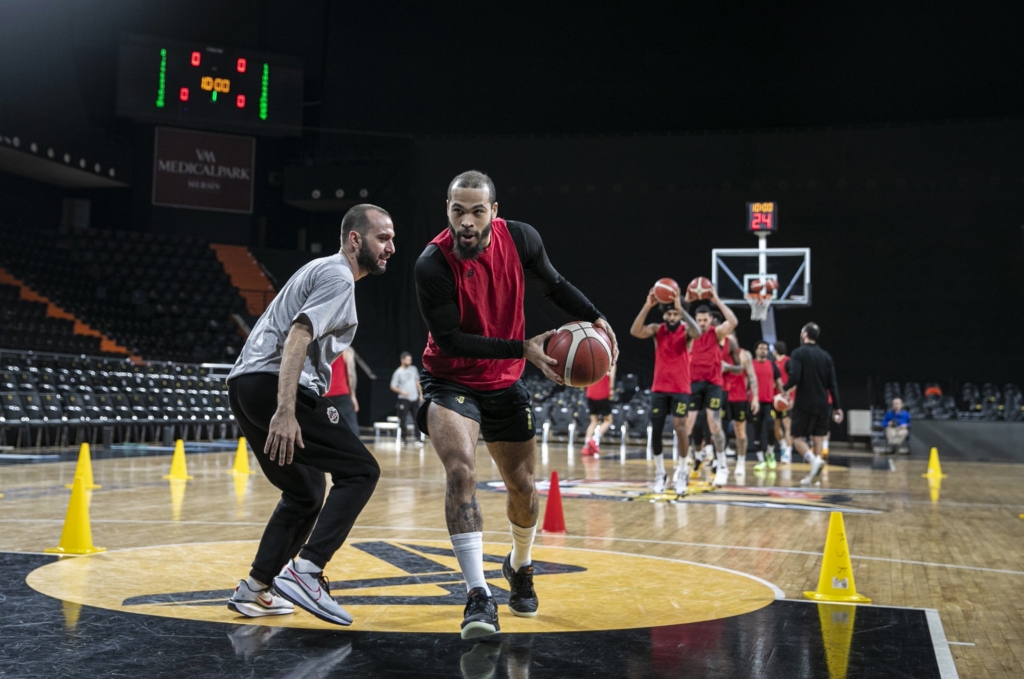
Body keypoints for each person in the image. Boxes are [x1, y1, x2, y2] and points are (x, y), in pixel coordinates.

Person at [414, 170, 618, 639]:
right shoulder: (432, 263)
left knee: (523, 489)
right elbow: (451, 339)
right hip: (449, 378)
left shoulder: (522, 239)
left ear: (494, 212)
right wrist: (523, 349)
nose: (467, 222)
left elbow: (554, 284)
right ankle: (478, 595)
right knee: (461, 472)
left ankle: (520, 565)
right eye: (458, 211)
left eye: (476, 211)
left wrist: (597, 319)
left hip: (505, 381)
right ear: (448, 210)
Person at [225, 204, 394, 625]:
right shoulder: (338, 276)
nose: (391, 247)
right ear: (355, 239)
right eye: (383, 238)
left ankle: (255, 589)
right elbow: (298, 336)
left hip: (245, 387)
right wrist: (285, 410)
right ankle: (307, 570)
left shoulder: (319, 269)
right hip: (274, 387)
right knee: (362, 471)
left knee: (306, 492)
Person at [630, 288, 700, 494]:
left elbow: (698, 332)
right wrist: (647, 306)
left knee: (680, 428)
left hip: (680, 388)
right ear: (664, 315)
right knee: (657, 431)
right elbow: (635, 331)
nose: (671, 317)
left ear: (680, 315)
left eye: (675, 314)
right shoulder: (657, 329)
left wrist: (682, 309)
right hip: (659, 388)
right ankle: (660, 473)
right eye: (668, 313)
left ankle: (682, 471)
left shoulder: (686, 331)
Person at [683, 287, 738, 487]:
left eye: (705, 320)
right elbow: (677, 317)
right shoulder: (690, 334)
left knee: (714, 425)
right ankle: (684, 466)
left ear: (710, 320)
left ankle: (722, 466)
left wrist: (717, 300)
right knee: (687, 425)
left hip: (713, 384)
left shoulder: (717, 333)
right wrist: (686, 301)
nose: (702, 323)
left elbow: (733, 321)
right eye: (699, 320)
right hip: (693, 383)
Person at [781, 323, 843, 486]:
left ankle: (814, 462)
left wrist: (784, 390)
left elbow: (795, 377)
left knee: (795, 438)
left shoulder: (798, 353)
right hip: (823, 403)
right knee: (818, 438)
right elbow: (833, 384)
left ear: (805, 335)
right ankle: (815, 478)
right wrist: (837, 407)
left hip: (805, 402)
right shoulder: (826, 356)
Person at [721, 334, 759, 477]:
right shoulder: (718, 351)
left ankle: (741, 462)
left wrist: (755, 398)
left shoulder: (744, 354)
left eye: (731, 339)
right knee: (718, 431)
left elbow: (752, 376)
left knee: (740, 432)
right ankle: (720, 462)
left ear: (736, 340)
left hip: (739, 397)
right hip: (722, 395)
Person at [750, 341, 784, 471]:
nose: (763, 350)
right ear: (756, 351)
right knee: (757, 431)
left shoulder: (772, 365)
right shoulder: (751, 364)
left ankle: (770, 452)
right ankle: (760, 459)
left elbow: (779, 383)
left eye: (765, 348)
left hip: (769, 403)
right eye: (761, 348)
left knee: (771, 427)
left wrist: (786, 396)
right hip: (754, 403)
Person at [582, 363, 616, 458]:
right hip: (602, 393)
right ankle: (594, 439)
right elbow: (612, 375)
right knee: (608, 420)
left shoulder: (593, 360)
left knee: (594, 421)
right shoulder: (610, 362)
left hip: (590, 392)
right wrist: (611, 389)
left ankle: (586, 446)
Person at [390, 352, 423, 443]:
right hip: (404, 399)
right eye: (408, 359)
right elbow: (393, 386)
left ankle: (418, 437)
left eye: (410, 359)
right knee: (403, 419)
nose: (409, 361)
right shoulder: (398, 372)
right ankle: (403, 437)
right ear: (402, 360)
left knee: (417, 418)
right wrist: (402, 391)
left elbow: (417, 381)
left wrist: (420, 393)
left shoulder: (413, 369)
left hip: (414, 397)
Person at [325, 348, 359, 434]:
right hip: (341, 394)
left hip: (324, 394)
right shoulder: (346, 350)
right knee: (351, 428)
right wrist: (353, 396)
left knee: (327, 427)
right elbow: (351, 375)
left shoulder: (322, 347)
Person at [773, 341, 794, 463]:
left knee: (787, 425)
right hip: (776, 399)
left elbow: (794, 381)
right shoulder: (773, 363)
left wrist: (788, 394)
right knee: (775, 427)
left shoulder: (788, 362)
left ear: (775, 350)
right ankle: (783, 445)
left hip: (786, 399)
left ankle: (788, 453)